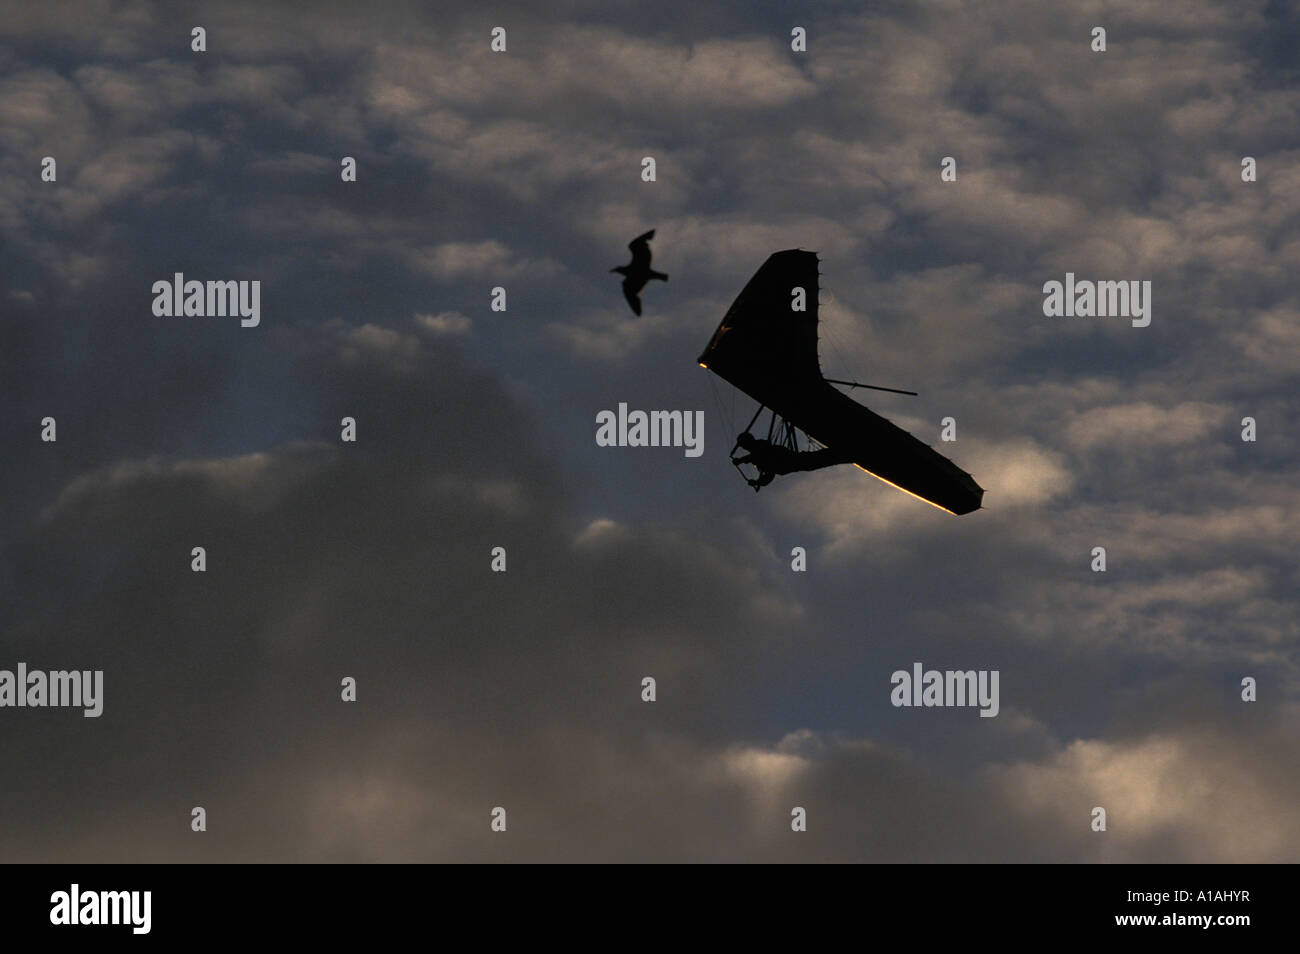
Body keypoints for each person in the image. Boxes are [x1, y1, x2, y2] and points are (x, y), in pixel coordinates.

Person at [732, 432, 850, 490]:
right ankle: (845, 454)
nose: (744, 448)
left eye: (744, 445)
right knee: (821, 460)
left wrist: (741, 460)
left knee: (821, 458)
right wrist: (758, 482)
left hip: (793, 460)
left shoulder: (760, 448)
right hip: (794, 464)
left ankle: (846, 451)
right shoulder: (759, 457)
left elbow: (760, 454)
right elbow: (769, 474)